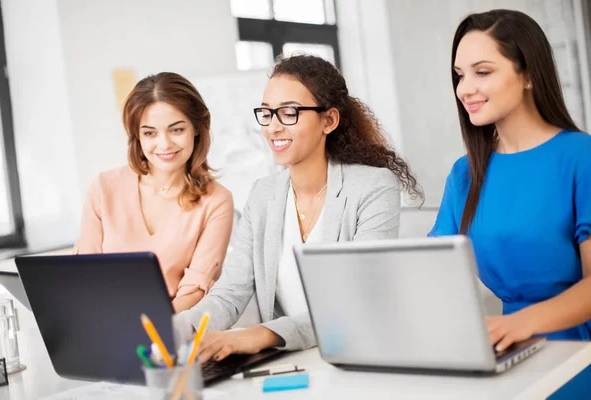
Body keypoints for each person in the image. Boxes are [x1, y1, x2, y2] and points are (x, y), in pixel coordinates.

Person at [174, 54, 423, 361]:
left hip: (362, 356)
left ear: (329, 120)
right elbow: (229, 294)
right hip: (290, 361)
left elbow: (353, 302)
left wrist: (262, 334)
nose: (273, 127)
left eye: (289, 113)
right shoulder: (263, 194)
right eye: (266, 114)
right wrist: (173, 331)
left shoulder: (373, 187)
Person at [429, 10, 591, 398]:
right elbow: (433, 276)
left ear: (529, 74)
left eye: (482, 72)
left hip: (576, 357)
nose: (464, 88)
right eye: (459, 74)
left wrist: (520, 324)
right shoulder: (464, 174)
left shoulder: (581, 157)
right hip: (504, 359)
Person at [76, 72, 234, 313]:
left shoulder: (216, 201)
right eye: (150, 133)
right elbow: (82, 275)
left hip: (172, 332)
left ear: (197, 129)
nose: (164, 144)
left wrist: (149, 328)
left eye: (176, 130)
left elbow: (195, 291)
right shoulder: (103, 187)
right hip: (103, 323)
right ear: (137, 137)